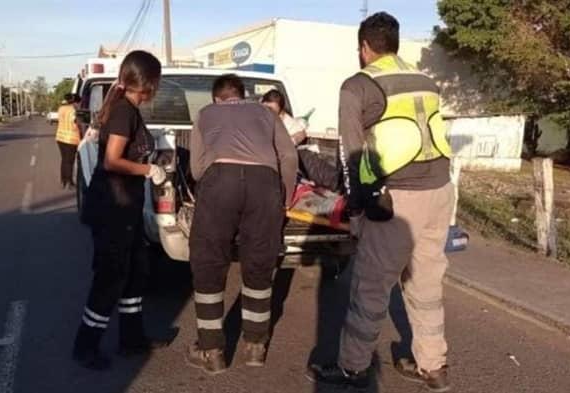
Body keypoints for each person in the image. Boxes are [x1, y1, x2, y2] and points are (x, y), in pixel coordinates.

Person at [309, 12, 454, 392]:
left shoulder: (357, 85)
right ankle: (433, 366)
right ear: (395, 44)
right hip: (441, 191)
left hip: (398, 198)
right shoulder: (426, 81)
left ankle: (353, 369)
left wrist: (361, 203)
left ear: (363, 48)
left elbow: (351, 152)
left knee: (371, 286)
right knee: (426, 281)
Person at [186, 74, 298, 374]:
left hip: (219, 182)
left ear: (216, 99)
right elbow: (288, 155)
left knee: (209, 262)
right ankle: (255, 347)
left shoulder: (205, 114)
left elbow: (196, 169)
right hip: (265, 184)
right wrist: (284, 198)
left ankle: (212, 352)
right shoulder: (265, 112)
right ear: (243, 95)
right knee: (260, 263)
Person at [72, 50, 170, 371]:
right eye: (154, 84)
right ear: (147, 83)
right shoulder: (123, 112)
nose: (154, 91)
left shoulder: (124, 105)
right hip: (114, 207)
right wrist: (147, 171)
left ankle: (132, 339)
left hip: (125, 208)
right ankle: (85, 347)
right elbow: (112, 160)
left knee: (135, 273)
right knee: (111, 278)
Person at [55, 93, 81, 189]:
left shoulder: (61, 108)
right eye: (79, 103)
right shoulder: (74, 110)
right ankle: (69, 182)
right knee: (70, 161)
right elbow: (76, 122)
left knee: (64, 159)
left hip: (60, 137)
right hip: (71, 138)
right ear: (76, 102)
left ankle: (64, 180)